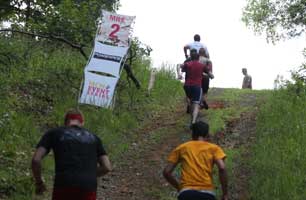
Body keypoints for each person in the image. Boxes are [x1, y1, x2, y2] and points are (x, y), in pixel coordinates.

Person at [31, 109, 112, 200]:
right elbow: (107, 167)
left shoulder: (54, 133)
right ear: (82, 123)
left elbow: (36, 160)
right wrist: (87, 174)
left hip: (63, 184)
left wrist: (39, 183)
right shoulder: (94, 138)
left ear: (65, 122)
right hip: (87, 186)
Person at [163, 121, 228, 200]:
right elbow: (222, 168)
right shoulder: (214, 148)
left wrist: (179, 187)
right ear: (207, 134)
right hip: (207, 193)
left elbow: (166, 172)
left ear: (193, 134)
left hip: (186, 193)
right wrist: (225, 194)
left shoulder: (182, 148)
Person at [181, 49, 208, 125]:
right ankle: (193, 121)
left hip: (187, 86)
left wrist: (179, 74)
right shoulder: (202, 65)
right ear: (198, 58)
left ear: (191, 57)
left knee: (189, 99)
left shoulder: (188, 63)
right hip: (196, 86)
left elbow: (180, 66)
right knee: (196, 104)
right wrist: (211, 75)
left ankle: (189, 105)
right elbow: (209, 73)